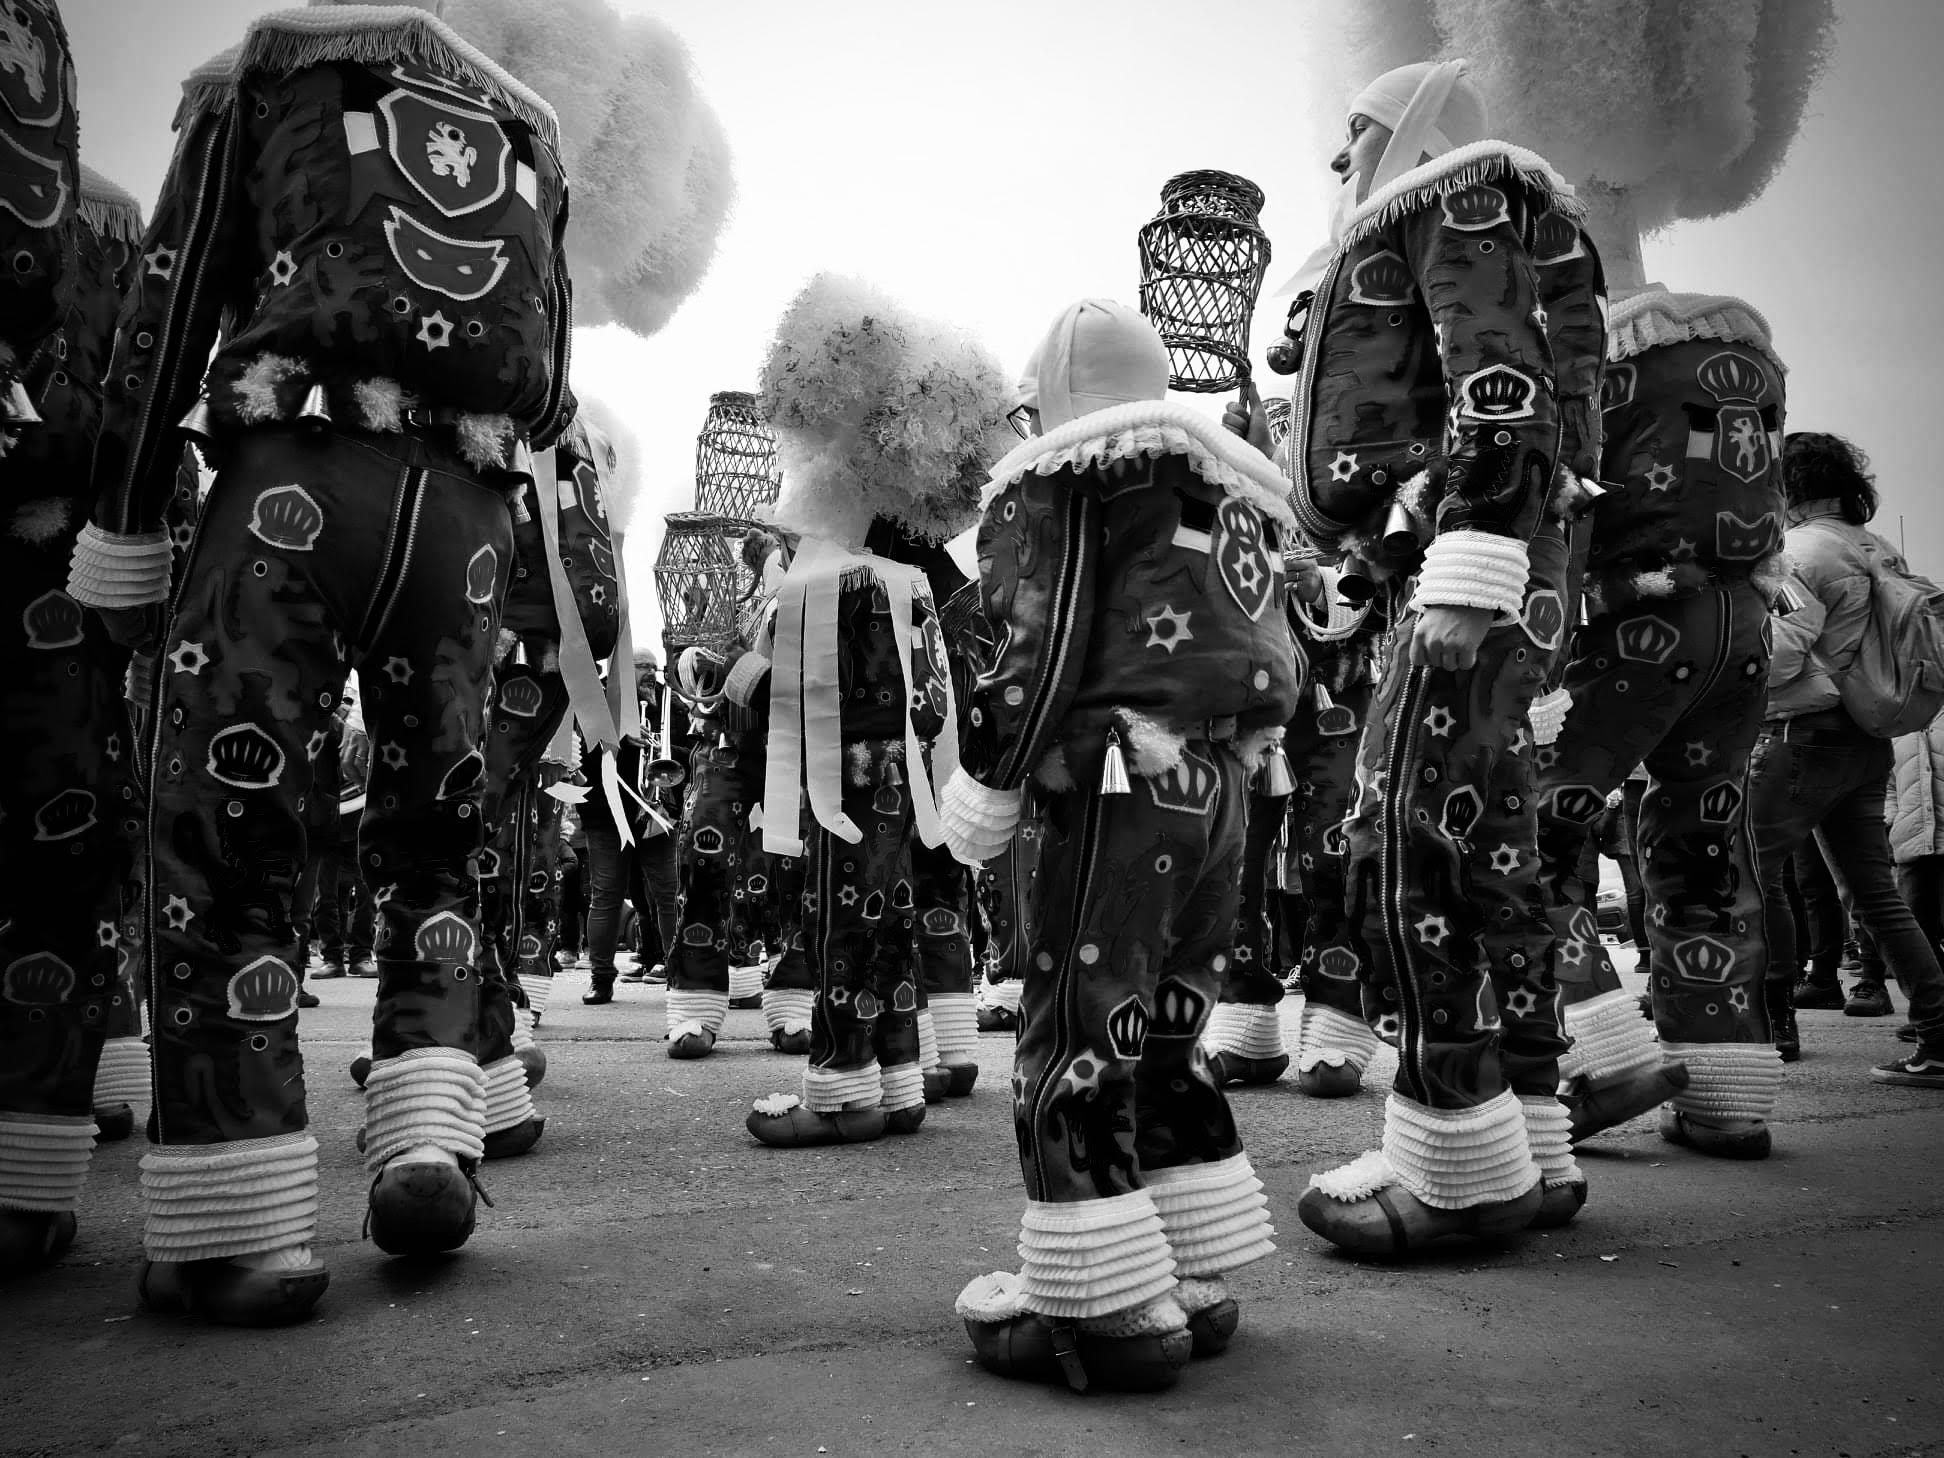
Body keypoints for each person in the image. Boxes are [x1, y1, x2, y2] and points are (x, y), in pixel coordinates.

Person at [63, 3, 575, 1322]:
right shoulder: (527, 128)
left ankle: (237, 1213)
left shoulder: (269, 74)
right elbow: (554, 387)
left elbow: (163, 312)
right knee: (437, 838)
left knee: (228, 833)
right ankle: (427, 1130)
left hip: (295, 477)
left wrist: (123, 525)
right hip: (459, 518)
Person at [1252, 60, 1593, 1254]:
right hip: (1476, 566)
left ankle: (1454, 1161)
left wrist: (1470, 557)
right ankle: (1531, 1134)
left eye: (1357, 136)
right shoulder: (1468, 207)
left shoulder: (1460, 196)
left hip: (1475, 574)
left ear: (1410, 133)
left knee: (1414, 839)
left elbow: (1499, 389)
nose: (1340, 161)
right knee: (1497, 851)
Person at [944, 299, 1300, 1391]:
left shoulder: (1075, 473)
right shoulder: (1234, 486)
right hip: (1217, 781)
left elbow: (1033, 641)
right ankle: (1190, 1268)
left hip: (1117, 778)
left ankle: (1105, 1296)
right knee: (1168, 1021)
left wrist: (989, 773)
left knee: (1079, 1022)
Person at [722, 273, 1007, 1148]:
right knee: (897, 911)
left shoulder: (832, 575)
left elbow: (774, 664)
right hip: (909, 778)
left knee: (846, 915)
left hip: (848, 781)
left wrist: (759, 616)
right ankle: (897, 1072)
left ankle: (844, 1085)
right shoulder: (915, 577)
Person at [1751, 433, 1944, 1089]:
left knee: (1757, 873)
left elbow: (1778, 654)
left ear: (1789, 484)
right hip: (1866, 736)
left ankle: (1772, 1020)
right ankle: (1940, 1034)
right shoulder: (1875, 545)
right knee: (1878, 895)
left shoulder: (1794, 553)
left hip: (1801, 735)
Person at [1889, 707, 1944, 1046]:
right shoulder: (1902, 719)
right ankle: (1933, 1014)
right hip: (1911, 844)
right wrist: (1891, 819)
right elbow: (1888, 782)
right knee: (1916, 933)